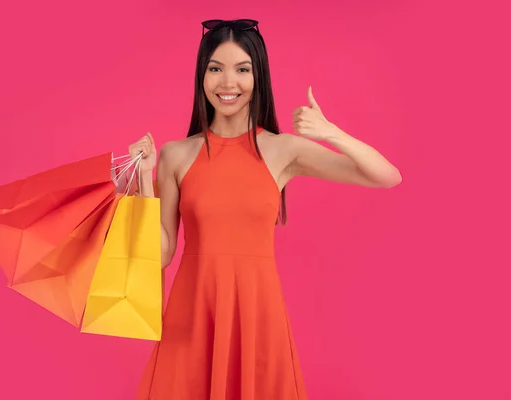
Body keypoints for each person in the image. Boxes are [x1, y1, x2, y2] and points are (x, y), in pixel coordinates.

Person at [129, 19, 401, 400]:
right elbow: (160, 253)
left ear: (259, 78)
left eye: (242, 70)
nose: (228, 83)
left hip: (256, 315)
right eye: (215, 69)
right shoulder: (176, 154)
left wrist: (330, 133)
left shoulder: (282, 149)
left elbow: (386, 176)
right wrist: (144, 178)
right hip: (192, 316)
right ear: (201, 77)